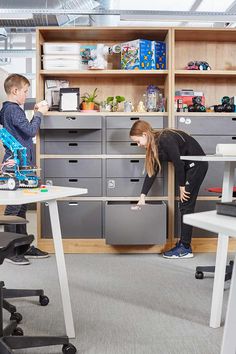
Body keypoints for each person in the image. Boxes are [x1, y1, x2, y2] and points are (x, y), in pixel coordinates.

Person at [129, 120, 208, 259]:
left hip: (196, 166)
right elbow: (151, 172)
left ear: (145, 134)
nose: (138, 145)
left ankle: (185, 248)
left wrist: (182, 186)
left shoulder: (165, 138)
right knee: (184, 206)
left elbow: (178, 163)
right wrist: (142, 196)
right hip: (187, 168)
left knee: (186, 205)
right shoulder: (154, 146)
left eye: (138, 141)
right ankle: (183, 244)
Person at [0, 73, 49, 265]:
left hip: (19, 160)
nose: (26, 95)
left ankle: (22, 246)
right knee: (14, 207)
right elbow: (29, 131)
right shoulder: (13, 110)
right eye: (25, 92)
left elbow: (20, 131)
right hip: (16, 162)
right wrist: (39, 114)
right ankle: (10, 250)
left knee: (21, 207)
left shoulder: (8, 110)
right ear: (15, 91)